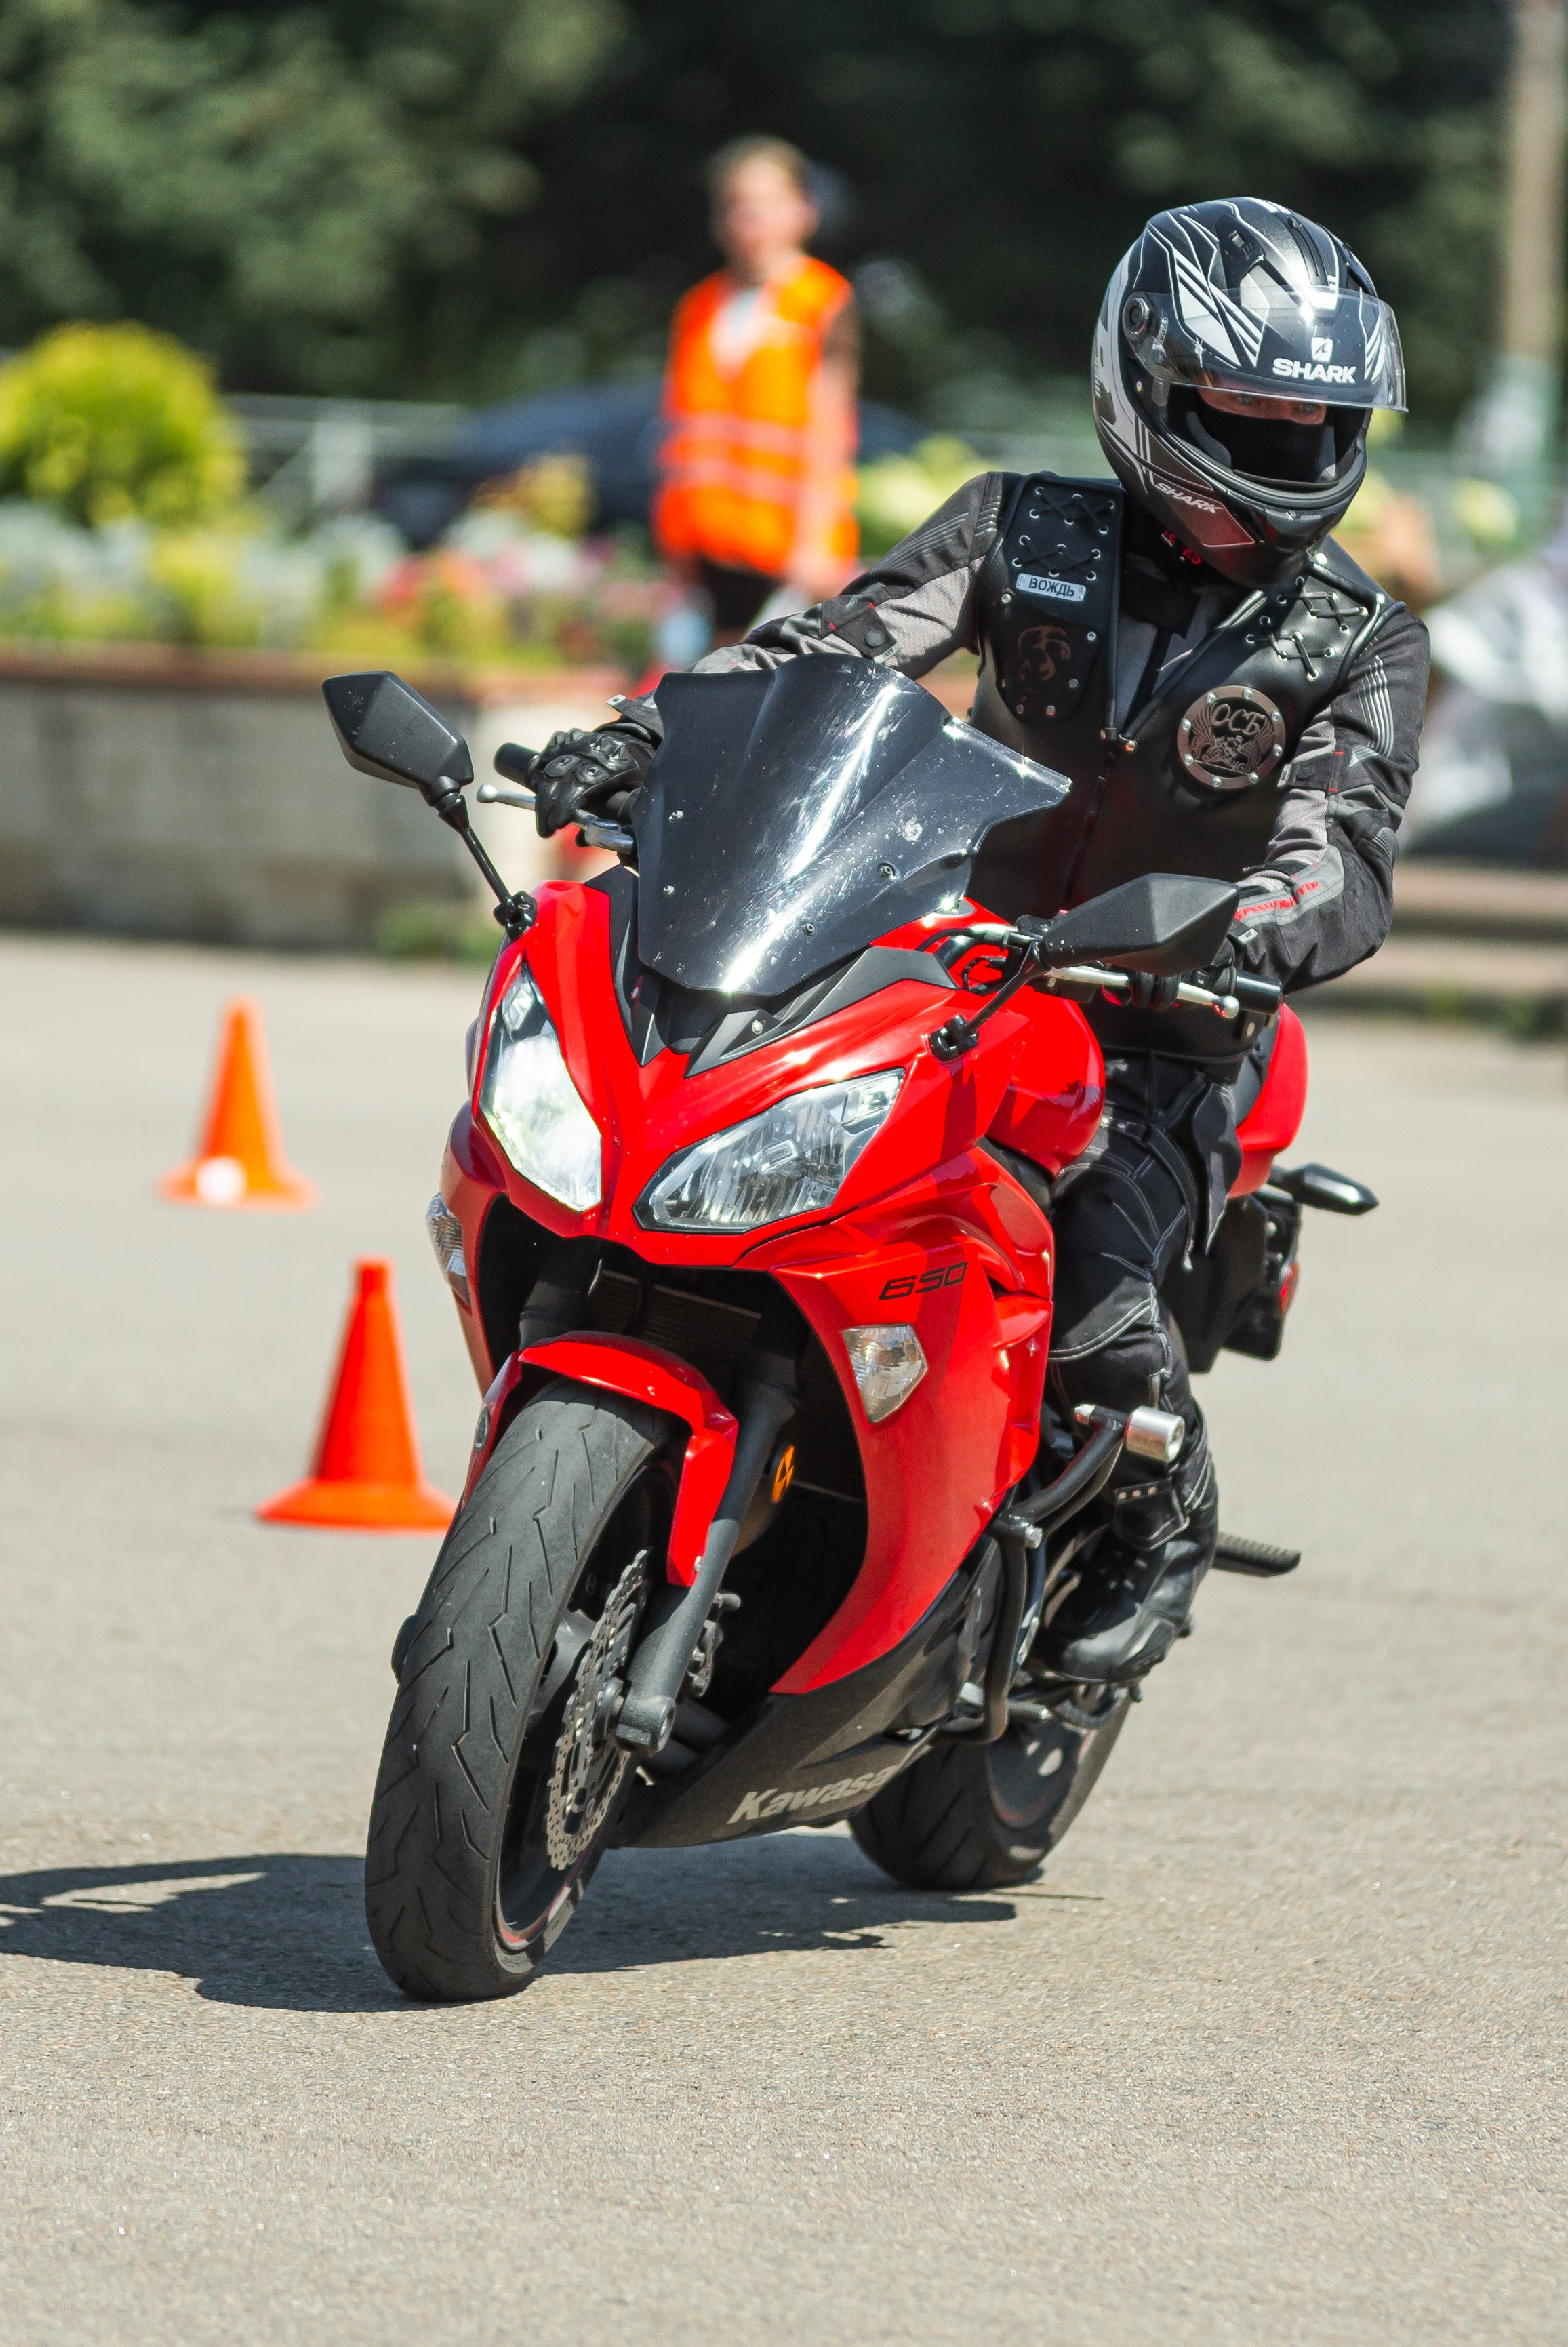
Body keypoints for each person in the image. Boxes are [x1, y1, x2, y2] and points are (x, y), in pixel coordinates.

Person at [529, 197, 1429, 1685]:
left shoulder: (1353, 638)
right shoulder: (1019, 527)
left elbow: (1341, 843)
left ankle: (1161, 1507)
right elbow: (822, 651)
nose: (1288, 457)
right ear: (1146, 393)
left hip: (1161, 1022)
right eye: (1248, 419)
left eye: (1314, 425)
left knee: (1085, 1297)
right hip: (939, 962)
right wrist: (642, 738)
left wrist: (1248, 933)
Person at [653, 136, 860, 644]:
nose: (748, 218)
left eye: (765, 203)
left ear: (803, 211)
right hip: (704, 548)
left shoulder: (821, 301)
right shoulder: (698, 307)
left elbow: (829, 427)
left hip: (784, 550)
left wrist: (815, 543)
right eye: (735, 205)